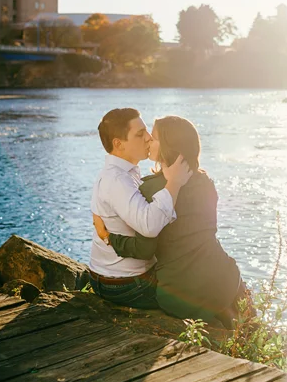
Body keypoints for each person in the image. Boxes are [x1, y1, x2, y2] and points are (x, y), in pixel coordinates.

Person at [93, 115, 243, 326]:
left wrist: (108, 237)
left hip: (180, 296)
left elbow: (144, 249)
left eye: (153, 138)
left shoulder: (149, 189)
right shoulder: (206, 181)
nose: (147, 140)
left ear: (168, 147)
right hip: (225, 281)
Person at [89, 108, 193, 308]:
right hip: (126, 285)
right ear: (118, 144)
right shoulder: (117, 180)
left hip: (116, 278)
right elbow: (149, 225)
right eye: (139, 134)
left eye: (146, 131)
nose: (148, 138)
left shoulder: (121, 173)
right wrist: (175, 182)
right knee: (196, 287)